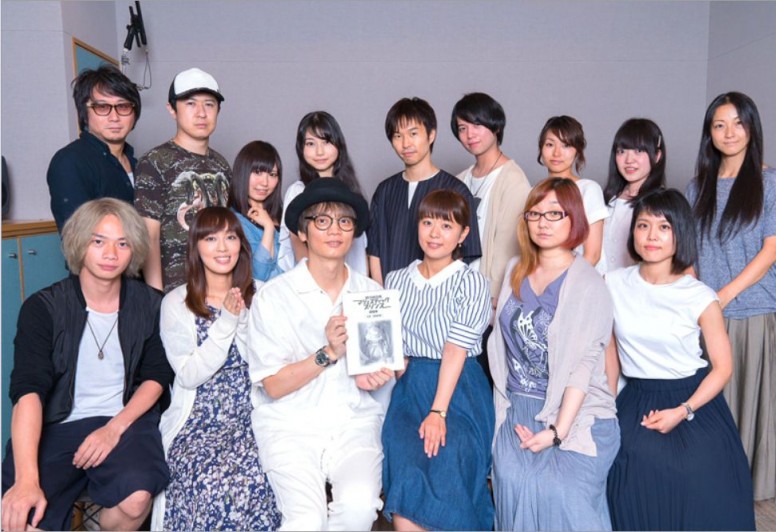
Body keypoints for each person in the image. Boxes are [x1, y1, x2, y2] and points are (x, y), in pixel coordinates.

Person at [1, 198, 172, 531]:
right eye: (98, 241)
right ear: (80, 243)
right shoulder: (43, 307)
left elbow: (156, 377)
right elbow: (28, 391)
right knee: (19, 517)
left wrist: (113, 429)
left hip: (125, 421)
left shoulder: (152, 306)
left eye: (122, 243)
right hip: (57, 425)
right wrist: (26, 481)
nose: (111, 254)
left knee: (137, 498)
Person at [248, 178, 393, 530]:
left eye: (344, 221)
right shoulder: (274, 296)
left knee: (360, 509)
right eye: (322, 220)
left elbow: (380, 372)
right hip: (290, 427)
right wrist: (328, 352)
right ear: (302, 231)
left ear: (354, 232)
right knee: (306, 521)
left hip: (354, 424)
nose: (335, 230)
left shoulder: (371, 294)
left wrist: (375, 376)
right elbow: (273, 386)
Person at [606, 189, 755, 529]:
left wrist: (683, 410)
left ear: (680, 234)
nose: (651, 236)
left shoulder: (699, 296)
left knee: (695, 475)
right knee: (625, 468)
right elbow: (610, 355)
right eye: (643, 225)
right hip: (636, 396)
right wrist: (607, 405)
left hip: (692, 399)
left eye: (664, 227)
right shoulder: (612, 283)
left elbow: (723, 369)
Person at [488, 178, 619, 531]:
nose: (543, 222)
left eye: (554, 214)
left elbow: (582, 367)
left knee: (557, 492)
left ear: (574, 218)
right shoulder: (514, 269)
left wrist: (557, 431)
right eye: (535, 213)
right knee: (512, 481)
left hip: (576, 411)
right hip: (517, 407)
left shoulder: (588, 283)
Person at [686, 91, 776, 501]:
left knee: (745, 402)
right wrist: (700, 297)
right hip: (705, 311)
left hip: (750, 310)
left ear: (752, 128)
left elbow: (772, 250)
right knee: (707, 401)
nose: (729, 133)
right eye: (719, 125)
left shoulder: (772, 182)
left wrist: (724, 295)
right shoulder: (697, 187)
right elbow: (688, 250)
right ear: (709, 133)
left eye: (738, 123)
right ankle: (709, 480)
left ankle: (743, 485)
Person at [152, 207, 281, 530]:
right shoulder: (177, 302)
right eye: (210, 239)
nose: (222, 248)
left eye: (230, 237)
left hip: (252, 415)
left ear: (241, 245)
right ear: (196, 246)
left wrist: (242, 319)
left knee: (258, 478)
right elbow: (188, 375)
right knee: (207, 480)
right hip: (197, 420)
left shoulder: (262, 295)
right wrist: (226, 322)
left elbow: (268, 366)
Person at [382, 189, 494, 531]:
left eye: (446, 226)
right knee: (407, 474)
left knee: (450, 458)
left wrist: (438, 412)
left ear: (463, 234)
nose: (434, 233)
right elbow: (397, 351)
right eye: (427, 222)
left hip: (459, 390)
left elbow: (456, 350)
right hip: (409, 390)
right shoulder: (395, 280)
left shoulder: (472, 282)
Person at [135, 67, 231, 293]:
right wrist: (156, 297)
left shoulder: (222, 165)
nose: (201, 113)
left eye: (209, 104)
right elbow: (149, 235)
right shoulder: (155, 161)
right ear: (172, 109)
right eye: (190, 104)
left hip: (218, 289)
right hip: (175, 291)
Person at [368, 96, 482, 284]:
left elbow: (465, 255)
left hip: (439, 296)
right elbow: (375, 252)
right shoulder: (384, 191)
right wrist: (383, 295)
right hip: (389, 295)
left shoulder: (456, 190)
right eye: (398, 136)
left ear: (431, 135)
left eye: (413, 133)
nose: (406, 143)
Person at [450, 92, 531, 300]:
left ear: (496, 126)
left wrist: (495, 298)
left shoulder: (513, 179)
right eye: (462, 128)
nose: (470, 134)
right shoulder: (459, 180)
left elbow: (509, 248)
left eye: (477, 125)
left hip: (488, 296)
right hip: (454, 291)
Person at [48, 65, 141, 232]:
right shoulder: (70, 162)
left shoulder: (139, 165)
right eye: (102, 107)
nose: (114, 117)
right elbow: (79, 237)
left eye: (123, 106)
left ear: (134, 113)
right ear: (84, 113)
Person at [277, 111, 369, 275]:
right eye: (311, 144)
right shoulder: (298, 192)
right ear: (301, 148)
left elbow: (359, 254)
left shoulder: (350, 191)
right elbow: (299, 251)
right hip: (314, 283)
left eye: (326, 142)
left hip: (352, 282)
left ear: (338, 144)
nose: (319, 152)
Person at [597, 118, 666, 276]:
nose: (629, 160)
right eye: (622, 151)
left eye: (638, 151)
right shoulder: (606, 200)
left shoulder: (661, 205)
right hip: (597, 286)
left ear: (657, 155)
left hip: (633, 288)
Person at [537, 116, 608, 266]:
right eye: (550, 144)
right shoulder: (535, 193)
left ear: (578, 151)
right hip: (544, 275)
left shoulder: (588, 190)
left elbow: (593, 255)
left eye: (566, 145)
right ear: (541, 148)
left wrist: (564, 280)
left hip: (581, 277)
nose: (557, 153)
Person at [228, 140, 283, 281]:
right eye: (258, 172)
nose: (265, 182)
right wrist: (269, 228)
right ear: (242, 173)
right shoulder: (234, 221)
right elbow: (259, 275)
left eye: (272, 174)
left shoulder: (284, 215)